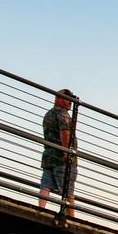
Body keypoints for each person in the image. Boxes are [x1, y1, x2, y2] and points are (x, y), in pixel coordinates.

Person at [38, 89, 77, 219]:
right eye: (68, 99)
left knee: (46, 185)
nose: (70, 102)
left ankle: (40, 210)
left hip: (49, 157)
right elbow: (65, 133)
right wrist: (67, 153)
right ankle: (71, 218)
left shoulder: (48, 114)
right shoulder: (63, 114)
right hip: (62, 158)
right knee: (67, 189)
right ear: (58, 99)